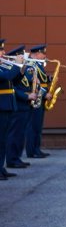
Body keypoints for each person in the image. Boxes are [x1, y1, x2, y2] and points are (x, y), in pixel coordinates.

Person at [6, 45, 36, 170]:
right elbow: (13, 88)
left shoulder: (17, 70)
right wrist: (26, 96)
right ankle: (12, 159)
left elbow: (19, 82)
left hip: (23, 106)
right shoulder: (9, 69)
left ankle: (16, 157)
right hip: (17, 105)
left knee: (20, 134)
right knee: (14, 134)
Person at [0, 39, 24, 180]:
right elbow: (6, 77)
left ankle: (1, 168)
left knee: (3, 140)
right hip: (1, 107)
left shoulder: (3, 66)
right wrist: (17, 64)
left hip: (7, 106)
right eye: (1, 50)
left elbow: (13, 81)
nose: (3, 52)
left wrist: (21, 70)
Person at [24, 44, 52, 159]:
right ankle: (32, 151)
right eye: (43, 53)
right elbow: (33, 85)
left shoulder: (38, 65)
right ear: (36, 54)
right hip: (37, 98)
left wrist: (49, 79)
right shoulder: (31, 66)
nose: (45, 56)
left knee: (38, 126)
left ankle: (37, 148)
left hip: (41, 97)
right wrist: (45, 94)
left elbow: (41, 80)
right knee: (33, 126)